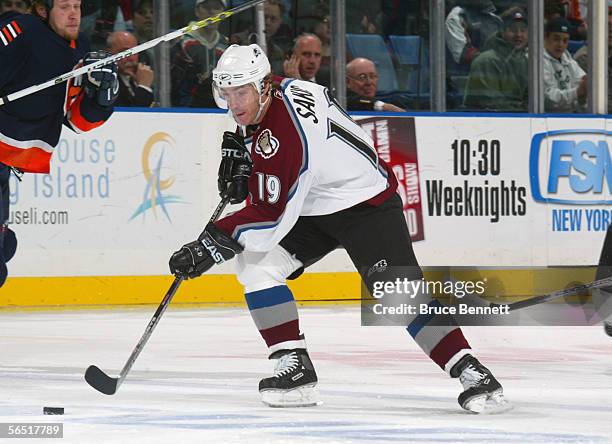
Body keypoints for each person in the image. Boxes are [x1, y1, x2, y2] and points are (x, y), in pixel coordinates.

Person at [168, 43, 510, 413]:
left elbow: (270, 213)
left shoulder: (286, 134)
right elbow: (278, 176)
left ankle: (471, 371)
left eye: (242, 93)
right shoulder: (277, 91)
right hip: (317, 205)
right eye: (228, 93)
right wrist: (250, 164)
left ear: (263, 86)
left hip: (365, 204)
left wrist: (209, 245)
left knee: (398, 294)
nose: (234, 104)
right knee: (257, 265)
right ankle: (294, 367)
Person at [0, 0, 118, 286]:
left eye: (77, 6)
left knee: (5, 246)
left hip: (9, 156)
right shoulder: (21, 29)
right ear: (43, 11)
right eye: (64, 7)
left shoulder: (81, 48)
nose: (74, 14)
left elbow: (78, 121)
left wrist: (102, 96)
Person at [463, 7, 529, 112]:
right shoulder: (486, 61)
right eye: (513, 29)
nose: (519, 35)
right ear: (502, 31)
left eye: (523, 30)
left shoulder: (526, 61)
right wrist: (521, 110)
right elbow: (490, 103)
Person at [170, 0, 228, 107]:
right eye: (206, 7)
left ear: (223, 13)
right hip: (185, 109)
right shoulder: (181, 42)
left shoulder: (225, 45)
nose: (211, 12)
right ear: (197, 10)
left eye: (216, 8)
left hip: (218, 109)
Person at [543, 17, 587, 113]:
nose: (560, 44)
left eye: (565, 40)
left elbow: (581, 81)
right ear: (545, 37)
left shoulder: (567, 58)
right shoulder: (536, 60)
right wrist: (577, 92)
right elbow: (548, 99)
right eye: (556, 39)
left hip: (569, 117)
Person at [107, 31, 154, 107]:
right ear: (109, 54)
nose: (132, 58)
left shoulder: (137, 78)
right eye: (125, 52)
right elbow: (133, 116)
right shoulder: (104, 82)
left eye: (135, 51)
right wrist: (143, 87)